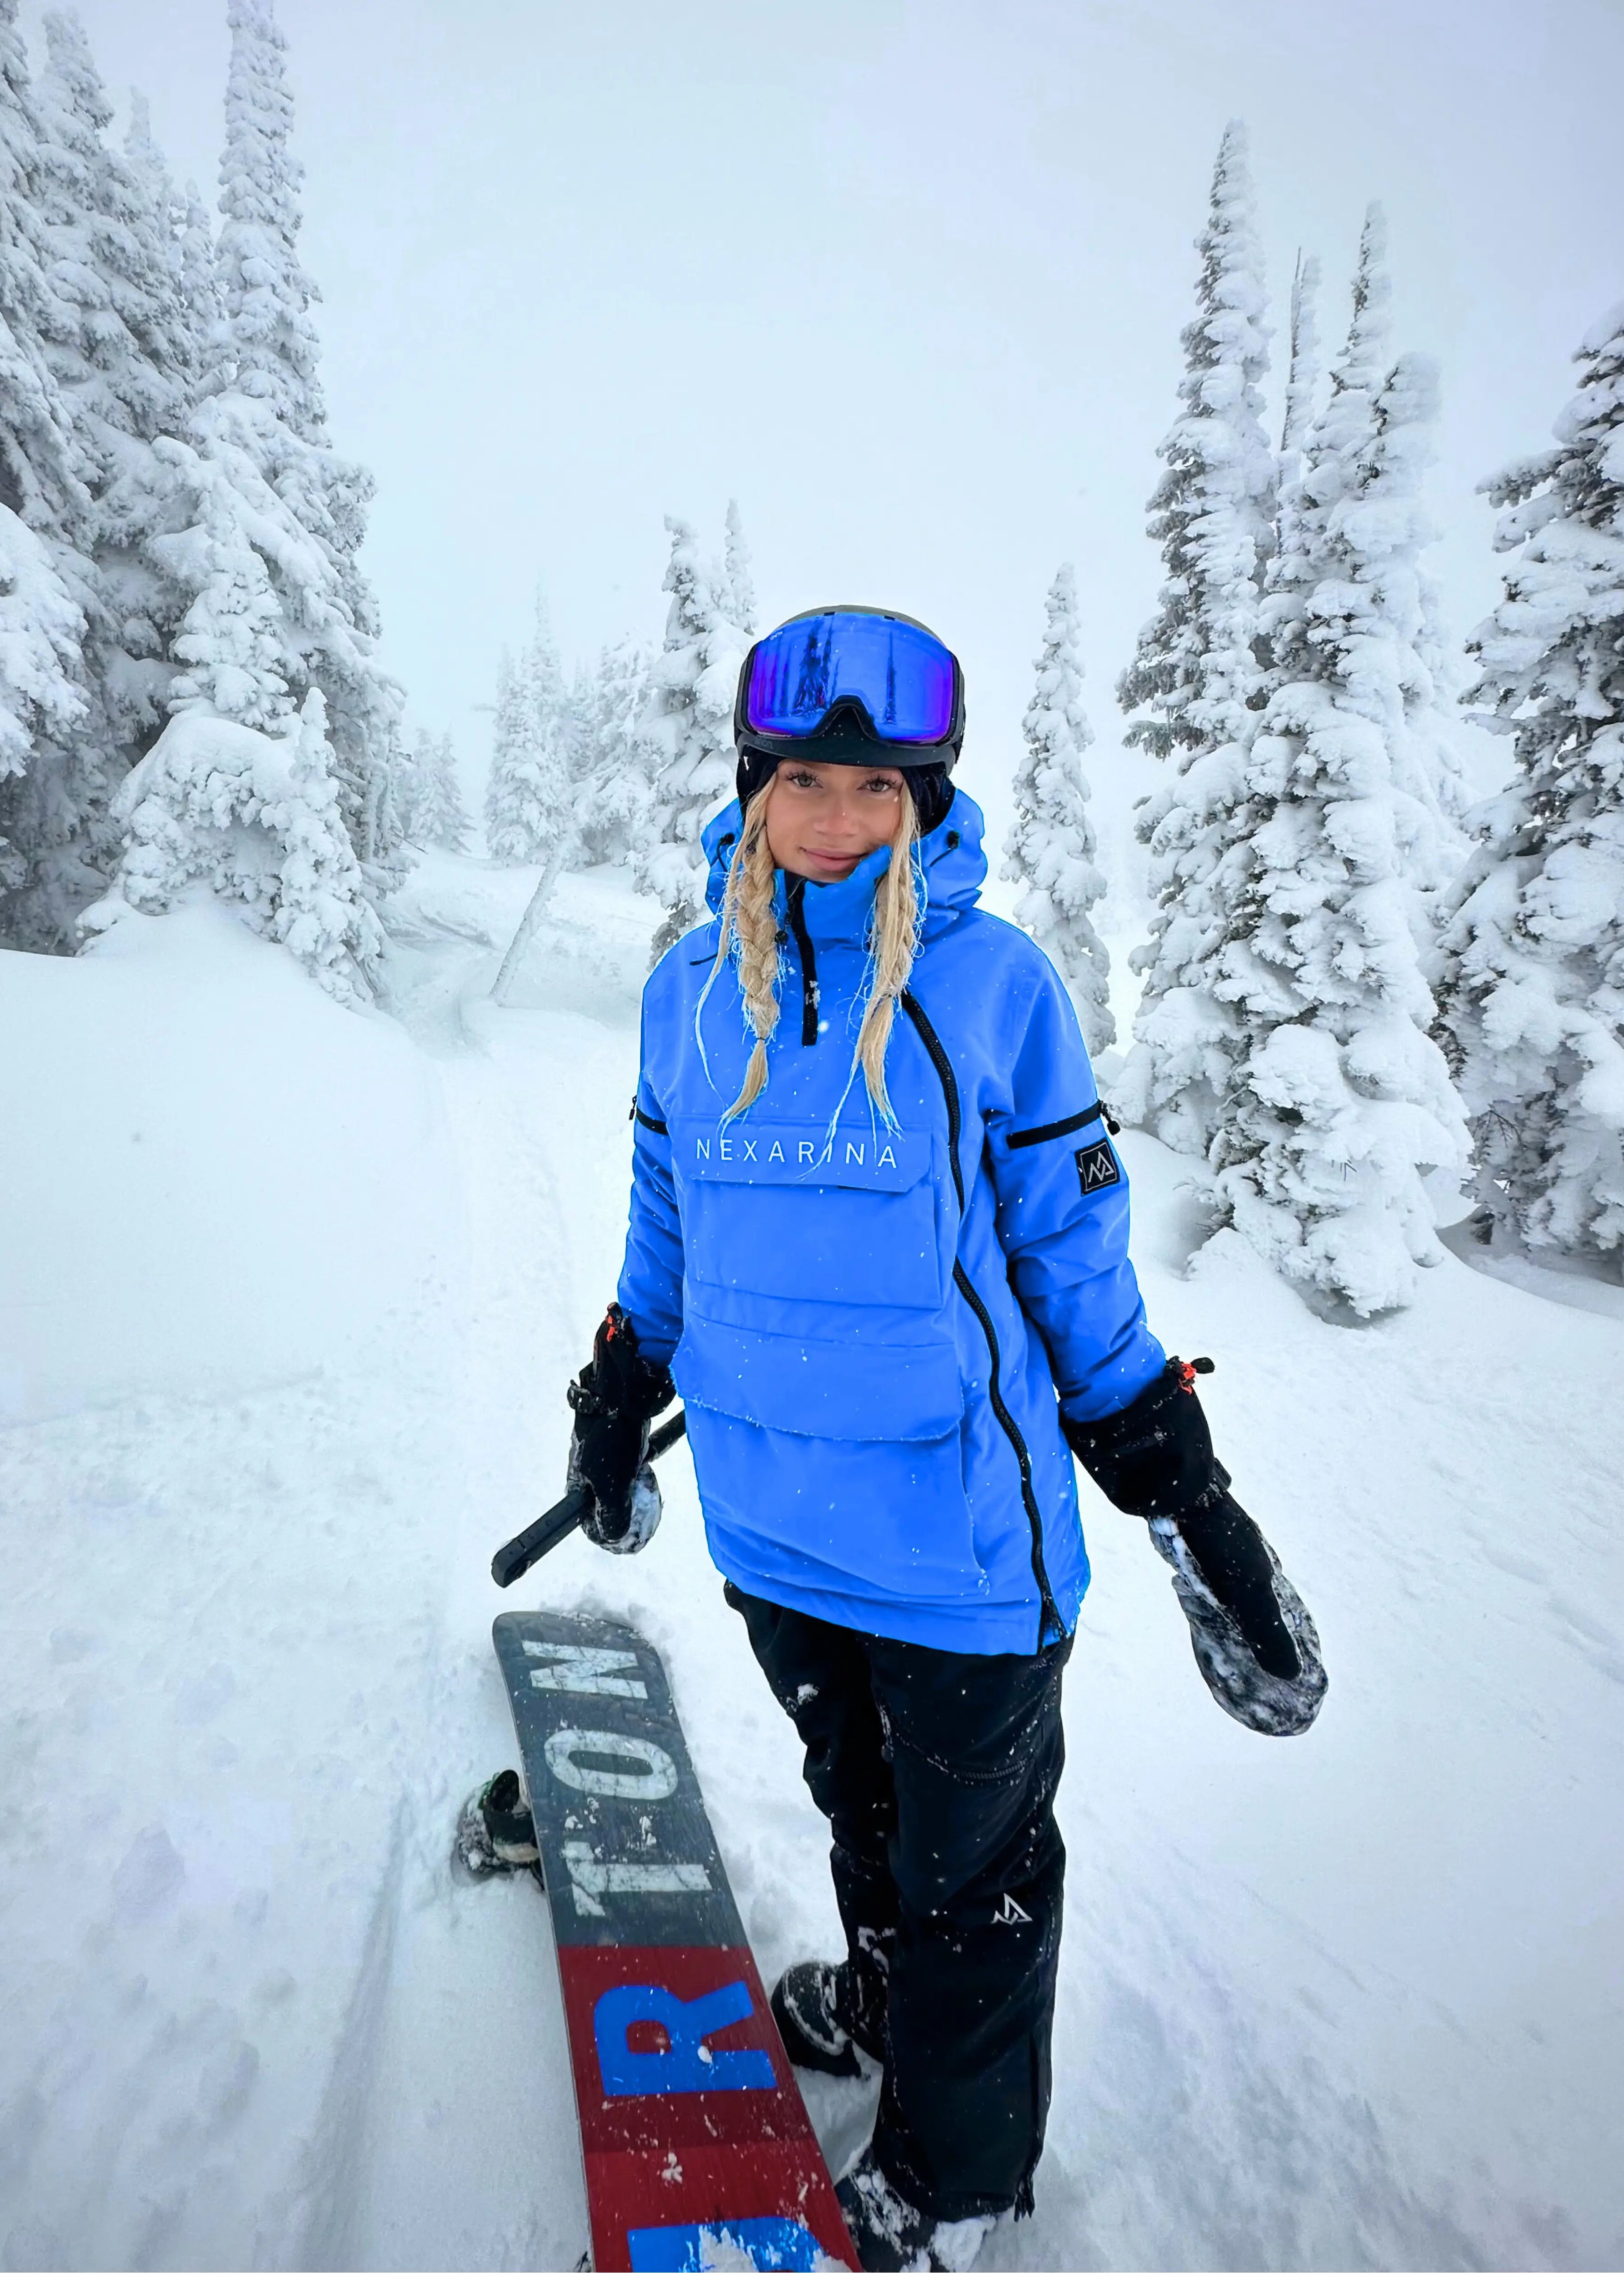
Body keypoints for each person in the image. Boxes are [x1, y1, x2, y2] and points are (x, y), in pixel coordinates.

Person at [564, 606, 1326, 2271]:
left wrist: (1180, 1485)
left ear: (923, 803)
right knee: (863, 1815)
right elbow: (667, 1214)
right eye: (808, 781)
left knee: (973, 1888)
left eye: (876, 789)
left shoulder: (988, 987)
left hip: (965, 1556)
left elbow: (1071, 1259)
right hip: (774, 1532)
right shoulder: (689, 993)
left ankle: (954, 2171)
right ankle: (881, 1993)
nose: (837, 819)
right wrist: (622, 1380)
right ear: (756, 785)